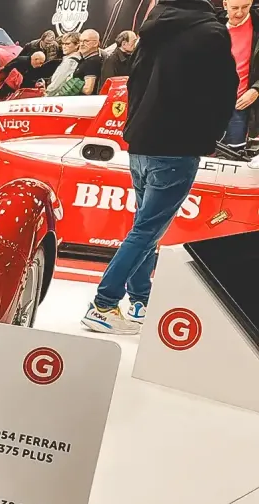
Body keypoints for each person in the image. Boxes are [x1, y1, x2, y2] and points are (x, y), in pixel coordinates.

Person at [82, 0, 236, 334]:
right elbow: (225, 91)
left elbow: (134, 82)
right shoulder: (211, 32)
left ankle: (140, 300)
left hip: (142, 142)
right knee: (147, 230)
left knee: (144, 227)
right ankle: (103, 304)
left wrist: (135, 126)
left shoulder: (152, 28)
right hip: (177, 146)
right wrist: (210, 134)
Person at [224, 0, 259, 145]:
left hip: (241, 106)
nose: (240, 13)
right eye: (235, 8)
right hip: (211, 104)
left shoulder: (256, 26)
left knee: (235, 150)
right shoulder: (211, 26)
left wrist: (256, 89)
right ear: (225, 4)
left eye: (245, 7)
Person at [73, 29, 104, 95]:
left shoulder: (92, 62)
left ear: (95, 43)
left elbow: (88, 90)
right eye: (80, 41)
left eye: (86, 41)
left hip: (85, 100)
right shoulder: (89, 60)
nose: (81, 44)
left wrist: (74, 85)